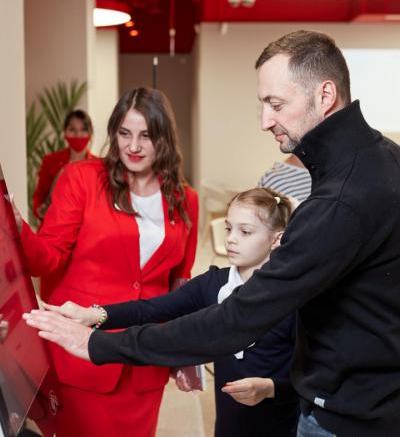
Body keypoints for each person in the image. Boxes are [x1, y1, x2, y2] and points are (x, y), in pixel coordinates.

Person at [23, 31, 400, 436]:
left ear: (325, 95)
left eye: (276, 104)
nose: (265, 121)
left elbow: (235, 317)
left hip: (348, 415)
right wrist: (100, 317)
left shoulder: (338, 200)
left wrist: (96, 343)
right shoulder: (384, 159)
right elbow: (182, 299)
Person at [36, 187, 299, 437]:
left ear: (277, 239)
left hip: (281, 423)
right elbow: (152, 309)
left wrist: (271, 388)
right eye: (229, 228)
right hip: (230, 421)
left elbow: (311, 377)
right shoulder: (213, 284)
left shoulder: (293, 297)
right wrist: (94, 314)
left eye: (245, 232)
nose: (231, 238)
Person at [20, 88, 199, 437]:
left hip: (144, 360)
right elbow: (46, 259)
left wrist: (184, 354)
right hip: (83, 356)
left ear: (164, 138)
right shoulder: (83, 178)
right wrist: (16, 228)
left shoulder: (184, 198)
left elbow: (181, 282)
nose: (133, 146)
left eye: (146, 135)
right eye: (124, 133)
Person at [32, 109, 94, 221]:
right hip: (56, 225)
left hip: (87, 228)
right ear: (64, 132)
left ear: (90, 133)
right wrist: (41, 209)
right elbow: (39, 198)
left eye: (83, 129)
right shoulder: (50, 161)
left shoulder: (98, 165)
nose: (78, 134)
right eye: (72, 129)